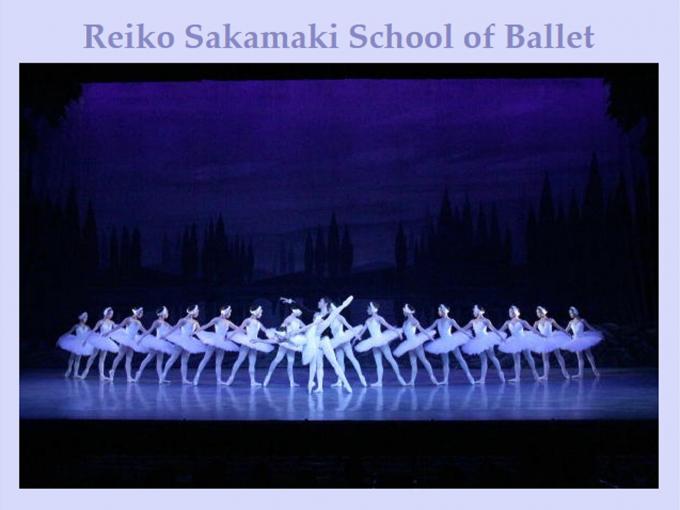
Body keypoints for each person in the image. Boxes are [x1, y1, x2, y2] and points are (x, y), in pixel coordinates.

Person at [300, 295, 355, 393]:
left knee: (334, 363)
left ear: (325, 303)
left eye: (320, 301)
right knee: (318, 365)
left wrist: (346, 302)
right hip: (316, 341)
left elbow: (339, 309)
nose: (318, 302)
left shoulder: (329, 314)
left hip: (325, 340)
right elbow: (305, 311)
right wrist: (292, 302)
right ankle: (319, 387)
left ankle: (346, 384)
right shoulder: (316, 314)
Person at [355, 302, 407, 387]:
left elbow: (388, 326)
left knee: (390, 359)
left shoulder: (379, 318)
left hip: (381, 340)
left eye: (368, 308)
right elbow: (363, 331)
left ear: (373, 309)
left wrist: (398, 332)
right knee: (378, 363)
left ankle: (399, 377)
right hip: (374, 342)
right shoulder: (368, 320)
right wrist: (357, 336)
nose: (367, 310)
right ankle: (379, 382)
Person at [422, 304, 475, 385]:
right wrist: (422, 332)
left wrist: (468, 335)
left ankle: (469, 376)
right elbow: (430, 328)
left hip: (451, 340)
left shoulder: (451, 320)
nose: (441, 310)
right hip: (442, 342)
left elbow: (460, 329)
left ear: (447, 310)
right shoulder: (437, 321)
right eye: (440, 308)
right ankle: (445, 380)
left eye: (442, 308)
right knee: (445, 361)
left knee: (459, 358)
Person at [224, 305, 274, 387]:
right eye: (260, 311)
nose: (261, 313)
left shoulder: (258, 323)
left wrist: (274, 336)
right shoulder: (247, 320)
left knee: (252, 363)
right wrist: (230, 336)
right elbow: (239, 329)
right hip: (247, 342)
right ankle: (231, 378)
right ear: (255, 312)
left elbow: (266, 331)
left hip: (254, 343)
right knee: (240, 360)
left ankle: (253, 381)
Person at [192, 306, 243, 385]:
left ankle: (219, 380)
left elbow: (238, 328)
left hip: (222, 343)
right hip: (214, 340)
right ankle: (196, 377)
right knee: (206, 359)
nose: (230, 313)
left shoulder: (228, 322)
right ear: (225, 312)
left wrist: (246, 332)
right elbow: (206, 326)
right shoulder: (216, 319)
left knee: (218, 362)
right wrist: (196, 331)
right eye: (229, 312)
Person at [392, 304, 440, 385]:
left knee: (423, 360)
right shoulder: (405, 321)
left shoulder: (413, 320)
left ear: (408, 311)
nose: (403, 312)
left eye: (404, 310)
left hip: (415, 342)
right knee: (413, 363)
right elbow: (403, 331)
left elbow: (421, 329)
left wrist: (429, 336)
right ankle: (412, 381)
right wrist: (396, 334)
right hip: (409, 343)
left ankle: (432, 377)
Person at [133, 306, 182, 383]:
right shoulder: (157, 322)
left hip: (162, 344)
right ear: (163, 313)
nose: (167, 314)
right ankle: (138, 373)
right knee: (148, 358)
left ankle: (161, 379)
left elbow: (173, 330)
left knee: (159, 361)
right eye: (166, 312)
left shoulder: (166, 323)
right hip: (156, 343)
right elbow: (149, 331)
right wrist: (141, 338)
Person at [161, 305, 208, 384]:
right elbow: (174, 329)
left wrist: (204, 340)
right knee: (173, 358)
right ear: (193, 311)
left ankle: (184, 379)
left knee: (184, 361)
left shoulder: (196, 322)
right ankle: (163, 376)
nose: (198, 312)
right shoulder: (183, 320)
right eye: (197, 310)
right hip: (181, 341)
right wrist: (165, 335)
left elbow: (200, 332)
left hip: (189, 342)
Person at [261, 306, 306, 387]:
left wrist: (299, 332)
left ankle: (292, 382)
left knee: (291, 362)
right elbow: (280, 330)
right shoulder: (288, 319)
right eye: (299, 311)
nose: (300, 313)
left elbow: (305, 328)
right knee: (277, 359)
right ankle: (267, 377)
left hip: (293, 343)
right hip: (286, 341)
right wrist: (281, 336)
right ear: (294, 311)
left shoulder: (298, 321)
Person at [460, 305, 506, 384]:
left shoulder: (486, 320)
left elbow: (493, 329)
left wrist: (501, 337)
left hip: (486, 339)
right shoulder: (472, 321)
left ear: (480, 311)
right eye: (473, 309)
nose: (474, 311)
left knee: (492, 357)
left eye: (475, 309)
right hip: (478, 341)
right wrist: (461, 333)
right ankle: (482, 379)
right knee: (483, 359)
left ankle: (500, 372)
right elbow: (463, 328)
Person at [497, 305, 541, 383]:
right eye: (510, 311)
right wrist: (492, 334)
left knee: (528, 356)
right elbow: (500, 331)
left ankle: (535, 374)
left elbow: (532, 329)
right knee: (516, 360)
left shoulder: (522, 322)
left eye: (513, 311)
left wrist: (541, 335)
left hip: (523, 340)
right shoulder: (507, 322)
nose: (511, 313)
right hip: (514, 341)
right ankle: (517, 377)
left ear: (518, 312)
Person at [76, 307, 119, 381]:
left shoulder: (112, 322)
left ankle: (102, 375)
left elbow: (117, 328)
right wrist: (86, 340)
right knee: (93, 356)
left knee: (102, 359)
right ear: (106, 313)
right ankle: (85, 371)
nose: (111, 315)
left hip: (106, 341)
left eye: (112, 314)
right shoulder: (100, 322)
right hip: (99, 340)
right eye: (110, 313)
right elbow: (93, 330)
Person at [107, 307, 150, 382]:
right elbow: (119, 326)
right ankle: (112, 372)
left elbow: (145, 331)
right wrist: (109, 332)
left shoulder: (139, 323)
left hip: (132, 342)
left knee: (129, 359)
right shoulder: (128, 319)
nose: (141, 314)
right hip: (125, 340)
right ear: (136, 312)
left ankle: (129, 377)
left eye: (142, 313)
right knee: (120, 356)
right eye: (140, 312)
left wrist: (152, 337)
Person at [531, 306, 571, 380]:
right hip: (543, 341)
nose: (538, 314)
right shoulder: (536, 322)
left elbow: (559, 327)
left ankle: (565, 372)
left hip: (552, 339)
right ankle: (545, 376)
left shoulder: (550, 320)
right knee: (545, 359)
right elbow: (533, 331)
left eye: (539, 312)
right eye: (537, 313)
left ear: (543, 312)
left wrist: (567, 333)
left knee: (558, 356)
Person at [563, 306, 603, 378]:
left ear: (575, 313)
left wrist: (596, 332)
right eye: (570, 313)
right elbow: (565, 331)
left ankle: (594, 369)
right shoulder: (570, 322)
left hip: (584, 339)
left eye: (571, 313)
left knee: (589, 355)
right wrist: (559, 334)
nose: (570, 314)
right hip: (576, 340)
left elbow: (590, 327)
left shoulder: (582, 320)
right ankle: (580, 374)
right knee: (580, 358)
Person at [56, 312, 95, 378]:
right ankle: (69, 370)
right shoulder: (76, 326)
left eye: (86, 318)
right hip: (76, 342)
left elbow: (91, 334)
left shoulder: (87, 327)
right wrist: (61, 337)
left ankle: (75, 373)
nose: (86, 319)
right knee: (72, 356)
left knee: (78, 358)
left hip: (82, 343)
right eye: (85, 317)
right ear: (81, 318)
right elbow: (69, 332)